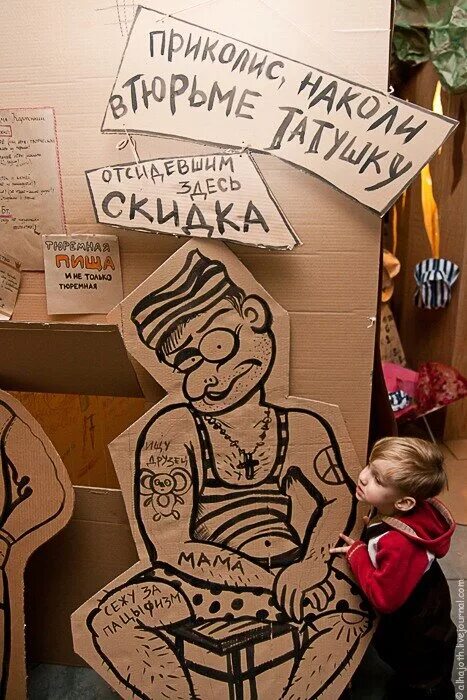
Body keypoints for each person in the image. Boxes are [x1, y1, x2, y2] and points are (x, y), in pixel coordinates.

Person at [88, 249, 371, 700]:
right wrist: (269, 582)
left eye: (217, 346)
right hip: (202, 583)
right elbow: (170, 544)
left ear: (253, 316)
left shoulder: (303, 426)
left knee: (357, 610)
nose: (209, 377)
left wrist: (311, 563)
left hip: (295, 568)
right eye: (187, 363)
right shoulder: (171, 432)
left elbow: (339, 498)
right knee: (111, 621)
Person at [330, 436, 457, 700]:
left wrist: (357, 554)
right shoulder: (398, 511)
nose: (363, 476)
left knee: (425, 687)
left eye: (377, 479)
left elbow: (384, 598)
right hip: (426, 625)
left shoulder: (400, 545)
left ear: (404, 503)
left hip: (421, 639)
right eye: (369, 466)